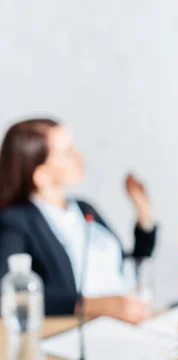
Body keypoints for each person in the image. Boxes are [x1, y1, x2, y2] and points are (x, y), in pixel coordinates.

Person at [0, 118, 157, 324]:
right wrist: (95, 304)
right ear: (41, 175)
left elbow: (129, 264)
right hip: (80, 331)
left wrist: (143, 211)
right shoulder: (17, 222)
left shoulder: (84, 208)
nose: (80, 156)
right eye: (67, 153)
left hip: (129, 322)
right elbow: (9, 292)